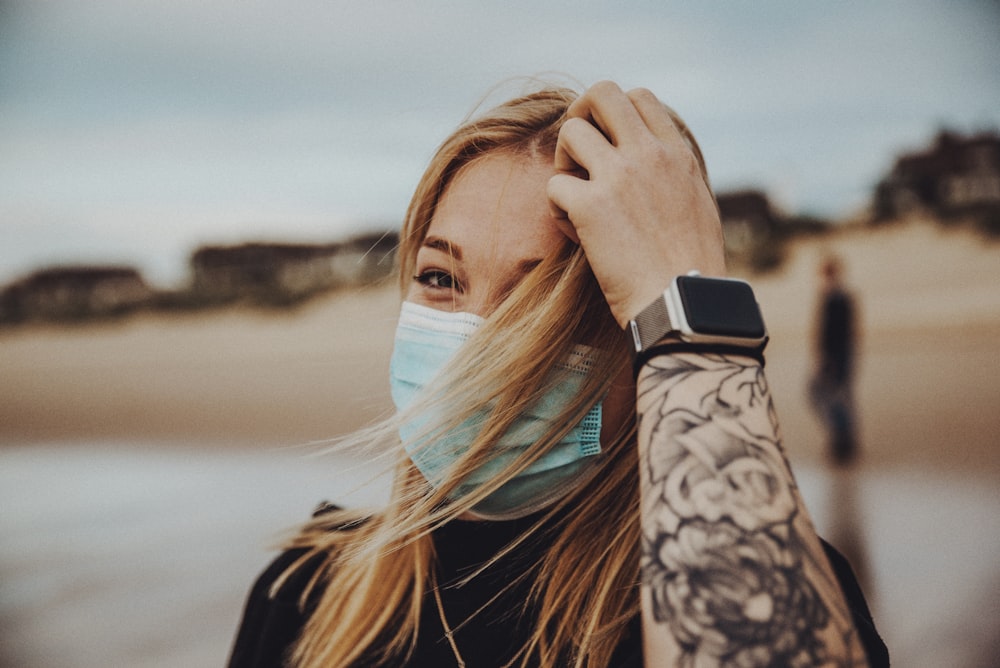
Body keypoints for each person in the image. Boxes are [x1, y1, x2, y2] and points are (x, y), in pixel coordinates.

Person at [228, 81, 888, 667]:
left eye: (544, 304)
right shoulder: (308, 593)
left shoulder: (756, 580)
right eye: (439, 278)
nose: (478, 351)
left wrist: (689, 306)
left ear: (646, 341)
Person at [810, 255, 859, 465]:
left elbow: (835, 333)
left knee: (825, 395)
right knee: (839, 397)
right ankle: (844, 442)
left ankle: (843, 442)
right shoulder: (836, 296)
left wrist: (827, 359)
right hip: (841, 354)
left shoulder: (836, 298)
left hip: (837, 356)